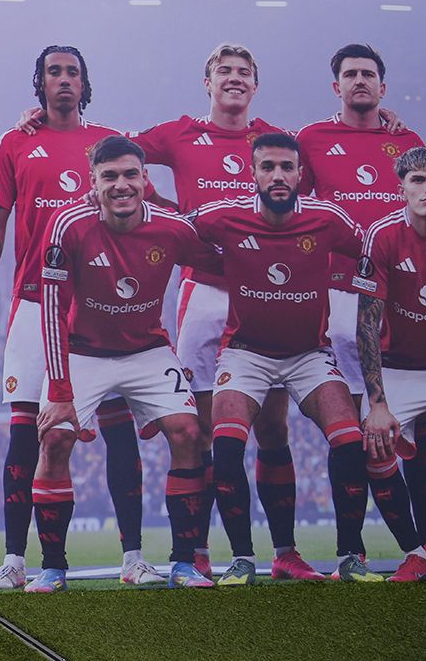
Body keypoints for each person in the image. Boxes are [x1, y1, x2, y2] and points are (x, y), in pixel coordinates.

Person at [189, 133, 414, 583]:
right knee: (227, 446)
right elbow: (166, 230)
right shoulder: (223, 215)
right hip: (246, 353)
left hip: (310, 354)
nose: (277, 175)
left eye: (286, 167)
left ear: (299, 173)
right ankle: (242, 560)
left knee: (351, 442)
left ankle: (350, 557)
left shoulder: (327, 218)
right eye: (268, 166)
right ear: (252, 172)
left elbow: (376, 248)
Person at [0, 47, 156, 589]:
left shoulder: (107, 143)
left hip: (100, 306)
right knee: (27, 435)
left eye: (72, 72)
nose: (63, 80)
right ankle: (17, 562)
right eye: (53, 72)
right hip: (33, 304)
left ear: (85, 83)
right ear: (40, 82)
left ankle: (134, 559)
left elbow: (144, 200)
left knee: (119, 435)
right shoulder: (15, 142)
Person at [126, 45, 301, 579]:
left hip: (263, 295)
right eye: (224, 71)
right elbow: (109, 151)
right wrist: (166, 208)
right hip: (202, 294)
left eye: (244, 72)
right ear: (207, 82)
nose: (234, 79)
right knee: (202, 432)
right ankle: (197, 553)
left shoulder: (272, 140)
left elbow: (304, 188)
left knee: (273, 427)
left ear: (255, 85)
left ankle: (285, 554)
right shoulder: (179, 133)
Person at [24, 137, 216, 592]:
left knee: (189, 432)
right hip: (84, 352)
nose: (121, 184)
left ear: (145, 179)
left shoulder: (172, 228)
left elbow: (226, 263)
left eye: (130, 174)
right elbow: (51, 310)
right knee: (54, 439)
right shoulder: (68, 224)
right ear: (93, 184)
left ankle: (184, 563)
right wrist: (61, 392)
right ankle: (53, 568)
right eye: (109, 176)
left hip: (146, 351)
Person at [295, 43, 426, 573]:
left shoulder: (408, 141)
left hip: (403, 297)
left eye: (369, 74)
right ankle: (350, 550)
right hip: (338, 297)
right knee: (353, 429)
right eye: (350, 74)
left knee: (418, 427)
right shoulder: (310, 140)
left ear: (383, 86)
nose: (360, 81)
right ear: (336, 86)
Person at [352, 147, 426, 580]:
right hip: (399, 369)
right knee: (372, 441)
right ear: (402, 191)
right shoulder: (383, 235)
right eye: (418, 181)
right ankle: (415, 552)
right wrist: (377, 403)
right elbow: (367, 325)